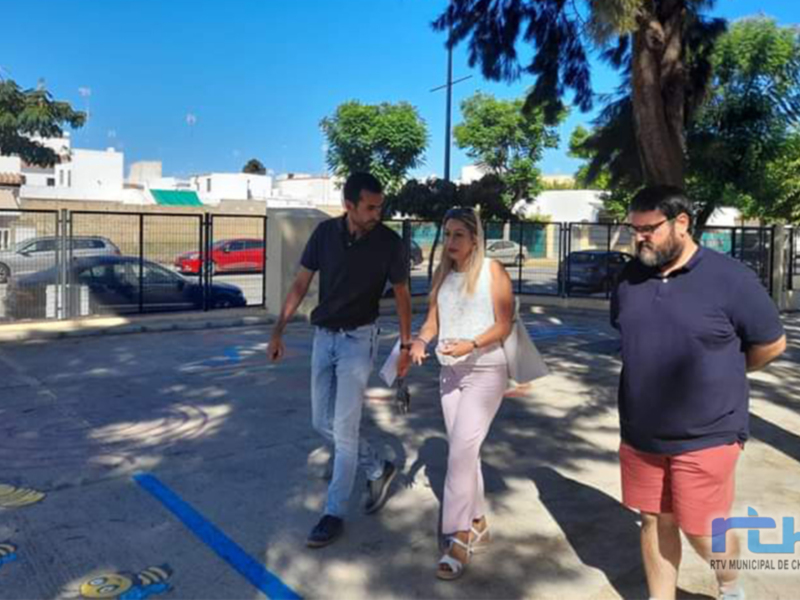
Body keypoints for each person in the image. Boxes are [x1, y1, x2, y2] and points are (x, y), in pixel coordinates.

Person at [611, 186, 786, 600]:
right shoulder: (629, 278)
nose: (640, 238)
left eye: (649, 229)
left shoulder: (731, 279)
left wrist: (725, 371)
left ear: (682, 222)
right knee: (654, 519)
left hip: (708, 432)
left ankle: (729, 585)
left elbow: (772, 343)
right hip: (641, 432)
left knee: (702, 526)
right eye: (634, 229)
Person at [267, 172, 413, 548]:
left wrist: (407, 347)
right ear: (348, 205)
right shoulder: (324, 234)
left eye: (380, 206)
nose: (377, 213)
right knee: (321, 422)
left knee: (344, 430)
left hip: (358, 341)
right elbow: (300, 283)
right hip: (323, 337)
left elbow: (401, 295)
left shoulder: (389, 244)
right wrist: (279, 329)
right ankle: (379, 467)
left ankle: (333, 513)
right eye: (370, 207)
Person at [409, 207, 514, 580]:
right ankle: (479, 520)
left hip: (486, 371)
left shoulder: (493, 272)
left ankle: (459, 536)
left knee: (460, 454)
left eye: (458, 235)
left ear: (474, 238)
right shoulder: (443, 276)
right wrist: (421, 341)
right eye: (447, 234)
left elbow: (504, 323)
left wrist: (470, 344)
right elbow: (432, 322)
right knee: (466, 454)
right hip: (449, 374)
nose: (451, 242)